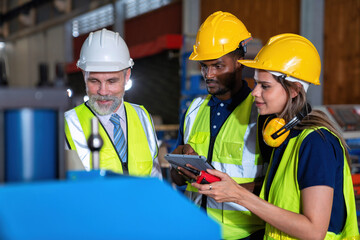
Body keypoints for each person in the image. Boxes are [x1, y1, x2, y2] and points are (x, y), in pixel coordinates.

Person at [192, 33, 360, 239]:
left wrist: (239, 195)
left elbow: (314, 231)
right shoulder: (282, 137)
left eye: (265, 86)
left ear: (294, 90)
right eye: (255, 84)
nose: (254, 92)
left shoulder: (316, 143)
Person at [171, 11, 269, 239]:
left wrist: (233, 192)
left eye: (217, 66)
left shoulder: (261, 113)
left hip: (245, 233)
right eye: (204, 67)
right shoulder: (193, 110)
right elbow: (176, 180)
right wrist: (179, 165)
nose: (209, 75)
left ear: (239, 62)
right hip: (197, 231)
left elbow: (279, 185)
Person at [65, 28, 161, 178]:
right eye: (94, 81)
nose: (103, 92)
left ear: (127, 75)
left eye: (111, 81)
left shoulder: (142, 117)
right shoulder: (67, 124)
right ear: (84, 76)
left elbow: (155, 179)